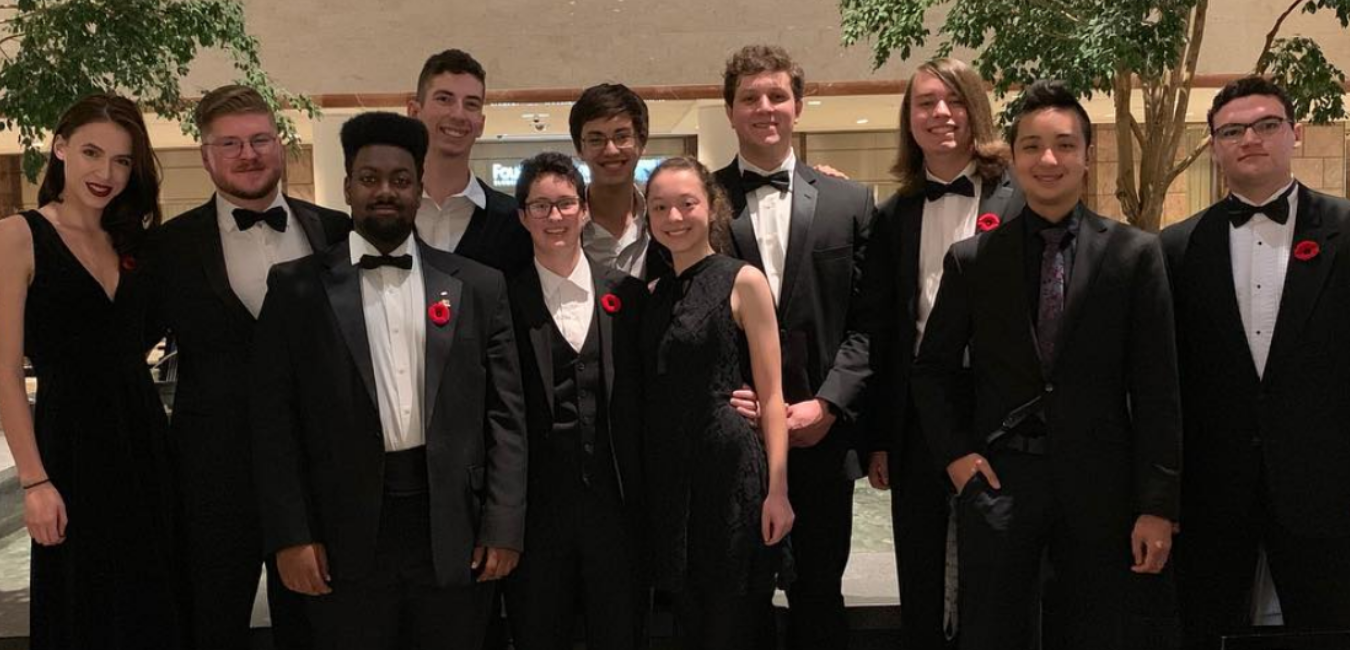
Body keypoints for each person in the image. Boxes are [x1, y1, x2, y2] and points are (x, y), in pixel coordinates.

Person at [911, 80, 1181, 650]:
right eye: (1031, 146)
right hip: (1001, 481)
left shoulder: (1134, 254)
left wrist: (1157, 506)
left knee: (1096, 630)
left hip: (1102, 488)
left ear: (1087, 156)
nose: (1048, 159)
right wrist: (957, 458)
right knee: (992, 632)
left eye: (1064, 144)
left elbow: (1159, 388)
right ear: (1013, 157)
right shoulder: (974, 259)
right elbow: (932, 369)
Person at [250, 112, 528, 650]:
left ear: (419, 188)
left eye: (400, 180)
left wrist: (503, 525)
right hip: (340, 533)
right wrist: (292, 535)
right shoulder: (295, 289)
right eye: (370, 178)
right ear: (349, 186)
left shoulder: (478, 285)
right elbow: (272, 422)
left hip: (454, 530)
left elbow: (506, 417)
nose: (385, 191)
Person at [144, 83, 351, 650]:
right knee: (210, 626)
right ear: (206, 155)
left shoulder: (337, 234)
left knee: (316, 629)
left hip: (317, 481)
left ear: (281, 145)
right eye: (230, 143)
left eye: (260, 138)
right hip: (211, 481)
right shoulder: (168, 248)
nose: (248, 153)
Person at [1161, 76, 1350, 650]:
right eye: (1233, 131)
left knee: (1330, 630)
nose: (1251, 139)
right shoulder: (1175, 247)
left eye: (1266, 125)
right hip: (1212, 490)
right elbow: (1165, 380)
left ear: (1295, 133)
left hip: (1327, 487)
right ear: (1215, 146)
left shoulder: (1345, 230)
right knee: (1205, 630)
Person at [0, 93, 182, 649]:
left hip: (144, 439)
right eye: (92, 153)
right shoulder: (18, 236)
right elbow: (4, 372)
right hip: (69, 446)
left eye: (123, 161)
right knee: (85, 607)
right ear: (59, 149)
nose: (107, 173)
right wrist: (35, 481)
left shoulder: (135, 243)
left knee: (155, 601)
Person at [713, 44, 874, 650]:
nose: (765, 108)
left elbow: (867, 324)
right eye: (750, 97)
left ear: (799, 106)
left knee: (820, 596)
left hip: (821, 437)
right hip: (735, 434)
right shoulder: (702, 202)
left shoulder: (849, 202)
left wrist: (829, 405)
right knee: (738, 599)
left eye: (777, 95)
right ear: (729, 111)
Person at [859, 57, 1022, 650]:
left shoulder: (1020, 199)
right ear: (909, 118)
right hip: (918, 417)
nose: (940, 114)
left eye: (953, 101)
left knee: (998, 579)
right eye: (925, 103)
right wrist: (879, 435)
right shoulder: (891, 215)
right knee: (922, 578)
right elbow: (881, 331)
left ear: (975, 109)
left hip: (1004, 416)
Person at [640, 155, 794, 649]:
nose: (674, 217)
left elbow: (771, 396)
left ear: (713, 207)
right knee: (688, 616)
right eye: (660, 207)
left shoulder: (743, 279)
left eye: (687, 204)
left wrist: (778, 489)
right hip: (671, 479)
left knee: (735, 618)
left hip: (731, 474)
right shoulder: (653, 292)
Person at [501, 152, 648, 650]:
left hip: (618, 511)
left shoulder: (629, 296)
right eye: (540, 206)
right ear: (522, 216)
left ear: (585, 210)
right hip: (537, 517)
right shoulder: (502, 300)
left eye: (565, 203)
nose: (554, 217)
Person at [408, 48, 531, 276]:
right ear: (414, 112)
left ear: (481, 124)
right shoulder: (385, 213)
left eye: (471, 104)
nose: (458, 114)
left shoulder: (514, 222)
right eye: (444, 99)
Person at [569, 83, 672, 280]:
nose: (611, 150)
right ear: (579, 149)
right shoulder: (564, 224)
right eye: (596, 140)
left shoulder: (665, 219)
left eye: (622, 136)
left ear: (641, 143)